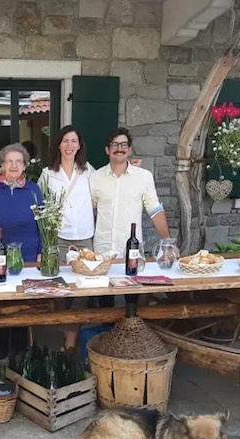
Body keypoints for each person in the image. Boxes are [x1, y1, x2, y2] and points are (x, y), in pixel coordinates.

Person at [38, 125, 94, 352]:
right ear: (58, 145)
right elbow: (40, 206)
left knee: (81, 289)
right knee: (59, 287)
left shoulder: (89, 171)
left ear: (79, 145)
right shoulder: (47, 174)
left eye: (74, 141)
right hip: (58, 237)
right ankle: (66, 326)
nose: (69, 145)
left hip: (84, 237)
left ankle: (70, 342)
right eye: (65, 141)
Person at [0, 143, 43, 363]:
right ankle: (0, 345)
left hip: (27, 253)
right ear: (1, 164)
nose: (13, 165)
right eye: (9, 161)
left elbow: (42, 223)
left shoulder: (33, 190)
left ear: (25, 166)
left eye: (18, 161)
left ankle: (19, 347)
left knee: (21, 301)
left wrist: (40, 252)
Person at [91, 127, 170, 256]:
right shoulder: (95, 177)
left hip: (132, 252)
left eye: (124, 145)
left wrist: (167, 242)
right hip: (102, 252)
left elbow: (155, 211)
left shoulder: (144, 177)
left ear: (130, 149)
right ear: (107, 149)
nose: (119, 149)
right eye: (114, 144)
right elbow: (87, 210)